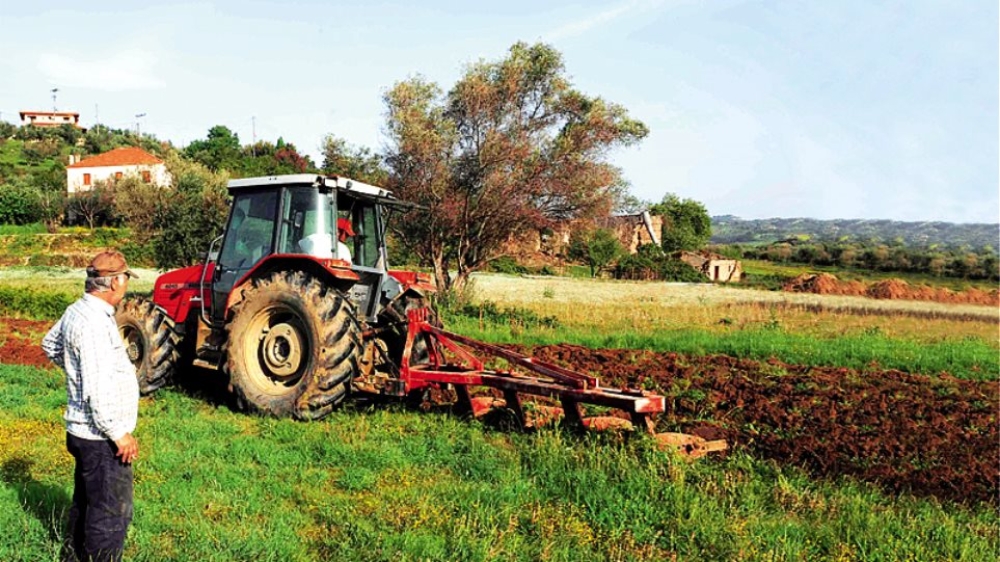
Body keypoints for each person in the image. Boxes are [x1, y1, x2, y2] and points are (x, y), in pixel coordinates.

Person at [42, 250, 140, 562]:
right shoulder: (95, 325)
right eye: (124, 278)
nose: (126, 284)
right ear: (113, 282)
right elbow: (98, 391)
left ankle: (71, 557)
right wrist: (118, 434)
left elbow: (50, 344)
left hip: (81, 432)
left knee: (86, 502)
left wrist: (76, 370)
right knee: (110, 514)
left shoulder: (78, 311)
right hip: (100, 437)